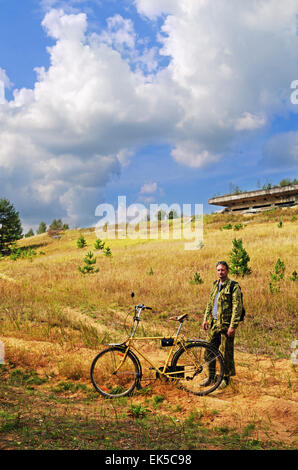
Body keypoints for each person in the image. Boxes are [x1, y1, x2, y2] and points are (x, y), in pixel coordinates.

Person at [201, 261, 242, 388]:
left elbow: (237, 307)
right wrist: (205, 319)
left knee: (226, 354)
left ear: (227, 271)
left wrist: (233, 326)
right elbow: (209, 303)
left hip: (225, 325)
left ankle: (225, 378)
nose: (220, 272)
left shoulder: (233, 286)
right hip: (214, 324)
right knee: (209, 351)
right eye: (218, 270)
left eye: (223, 270)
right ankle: (211, 377)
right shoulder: (215, 285)